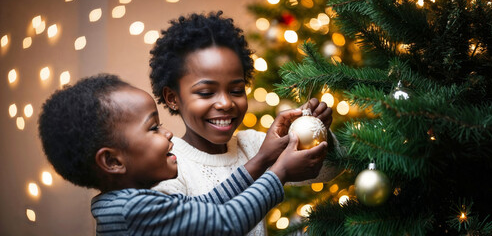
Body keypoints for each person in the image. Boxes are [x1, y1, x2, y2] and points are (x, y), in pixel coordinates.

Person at [37, 74, 328, 235]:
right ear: (113, 161)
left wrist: (263, 159)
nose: (167, 133)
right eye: (153, 128)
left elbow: (206, 206)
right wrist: (280, 173)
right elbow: (225, 222)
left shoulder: (130, 203)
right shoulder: (131, 211)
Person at [149, 11, 340, 235]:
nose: (225, 103)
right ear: (173, 98)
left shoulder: (252, 144)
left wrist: (316, 133)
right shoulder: (167, 165)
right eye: (206, 92)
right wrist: (271, 168)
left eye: (236, 90)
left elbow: (330, 170)